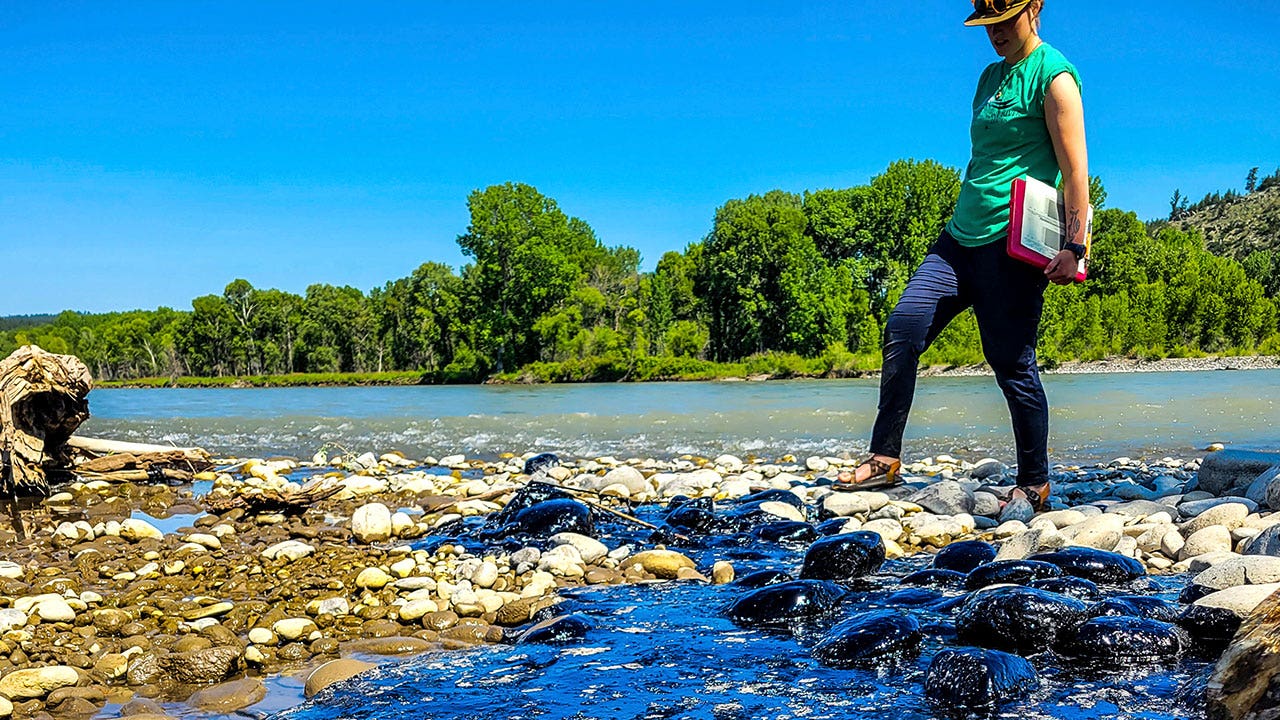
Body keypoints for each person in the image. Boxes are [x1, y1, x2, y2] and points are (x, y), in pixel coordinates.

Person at [835, 0, 1088, 518]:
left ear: (1034, 8)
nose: (994, 32)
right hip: (958, 238)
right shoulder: (988, 78)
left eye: (1005, 21)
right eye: (987, 24)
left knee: (1011, 363)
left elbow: (1075, 168)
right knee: (904, 325)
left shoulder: (1055, 76)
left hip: (1011, 245)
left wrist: (1075, 246)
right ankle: (885, 457)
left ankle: (1034, 483)